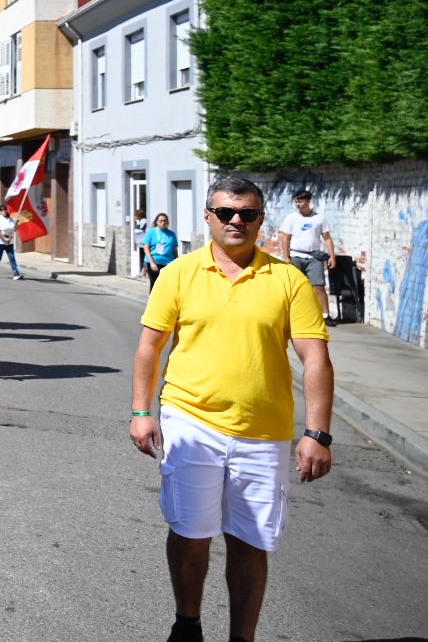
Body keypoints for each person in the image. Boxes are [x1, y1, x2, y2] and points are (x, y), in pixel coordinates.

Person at [130, 175, 333, 642]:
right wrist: (141, 412)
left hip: (263, 431)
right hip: (190, 420)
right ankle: (188, 624)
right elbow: (149, 346)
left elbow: (315, 356)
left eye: (248, 214)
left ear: (261, 220)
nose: (236, 221)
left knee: (250, 542)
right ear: (208, 217)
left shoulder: (288, 279)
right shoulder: (180, 272)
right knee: (190, 531)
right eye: (226, 213)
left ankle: (243, 637)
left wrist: (317, 432)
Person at [278, 189, 339, 326]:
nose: (298, 204)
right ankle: (289, 315)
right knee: (292, 287)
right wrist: (286, 257)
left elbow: (327, 238)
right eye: (296, 201)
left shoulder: (319, 218)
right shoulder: (292, 218)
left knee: (319, 287)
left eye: (300, 201)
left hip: (314, 257)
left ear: (308, 201)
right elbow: (286, 238)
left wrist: (332, 256)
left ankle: (325, 315)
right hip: (296, 255)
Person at [139, 212, 180, 290]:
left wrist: (176, 263)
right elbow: (146, 248)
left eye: (165, 221)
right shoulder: (151, 232)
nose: (163, 223)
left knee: (166, 286)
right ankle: (153, 302)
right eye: (160, 221)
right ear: (156, 222)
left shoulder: (171, 234)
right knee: (155, 285)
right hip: (154, 262)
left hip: (168, 263)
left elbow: (175, 250)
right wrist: (152, 262)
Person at [0, 203, 21, 279]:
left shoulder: (11, 220)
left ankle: (15, 274)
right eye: (2, 210)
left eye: (5, 209)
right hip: (0, 242)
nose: (4, 211)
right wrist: (4, 239)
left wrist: (16, 223)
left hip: (9, 242)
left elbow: (15, 229)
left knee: (12, 257)